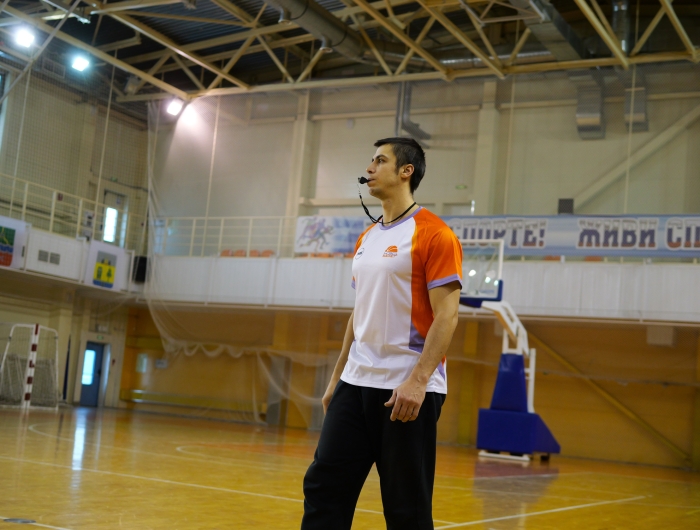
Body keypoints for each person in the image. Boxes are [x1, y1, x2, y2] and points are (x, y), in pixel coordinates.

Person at [301, 137, 463, 530]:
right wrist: (337, 378)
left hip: (405, 391)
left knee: (406, 509)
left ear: (406, 171)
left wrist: (418, 382)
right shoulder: (367, 237)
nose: (369, 168)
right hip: (355, 385)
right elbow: (360, 313)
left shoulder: (435, 234)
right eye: (370, 161)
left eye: (379, 160)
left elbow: (447, 316)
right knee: (323, 489)